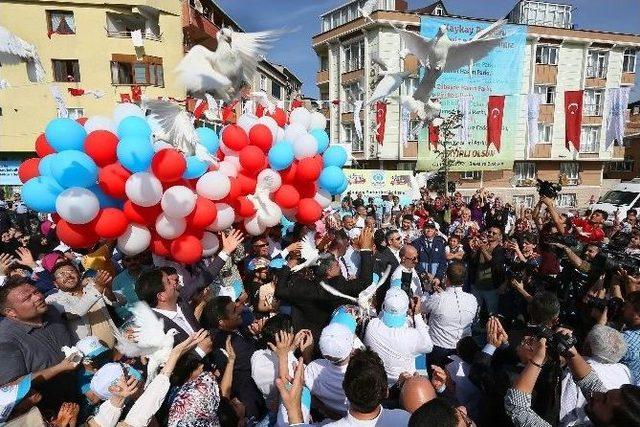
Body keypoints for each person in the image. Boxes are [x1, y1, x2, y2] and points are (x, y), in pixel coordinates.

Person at [0, 277, 78, 418]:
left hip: (83, 388)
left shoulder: (52, 312)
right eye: (27, 298)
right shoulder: (5, 339)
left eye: (36, 292)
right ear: (10, 312)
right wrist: (59, 368)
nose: (38, 297)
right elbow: (12, 386)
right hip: (56, 413)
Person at [364, 287, 433, 385]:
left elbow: (380, 316)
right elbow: (428, 347)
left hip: (379, 383)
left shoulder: (372, 326)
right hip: (404, 385)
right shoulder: (411, 335)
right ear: (406, 309)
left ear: (384, 306)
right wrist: (417, 315)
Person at [45, 262, 121, 346]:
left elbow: (120, 302)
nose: (67, 276)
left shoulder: (91, 287)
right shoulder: (54, 300)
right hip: (91, 353)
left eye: (70, 271)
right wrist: (98, 288)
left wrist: (108, 289)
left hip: (117, 343)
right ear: (55, 283)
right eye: (61, 274)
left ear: (79, 273)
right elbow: (74, 313)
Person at [424, 262, 478, 367]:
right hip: (464, 349)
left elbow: (422, 308)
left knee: (435, 381)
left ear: (446, 277)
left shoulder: (438, 298)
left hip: (439, 349)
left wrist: (432, 295)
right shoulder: (472, 299)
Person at [471, 226, 506, 316]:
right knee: (474, 311)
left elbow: (494, 263)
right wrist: (474, 249)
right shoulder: (483, 246)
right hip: (477, 285)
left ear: (499, 236)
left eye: (494, 233)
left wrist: (483, 250)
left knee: (492, 313)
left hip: (491, 287)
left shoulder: (500, 250)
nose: (490, 234)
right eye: (489, 232)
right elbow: (473, 261)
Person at [412, 222, 447, 289]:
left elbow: (443, 262)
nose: (429, 230)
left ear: (435, 230)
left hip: (436, 280)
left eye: (432, 228)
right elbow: (414, 261)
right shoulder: (416, 243)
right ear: (423, 229)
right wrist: (425, 275)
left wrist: (438, 277)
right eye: (427, 228)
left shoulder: (440, 243)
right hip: (420, 279)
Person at [621, 291, 640, 386]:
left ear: (637, 314)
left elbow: (590, 356)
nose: (622, 308)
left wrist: (601, 322)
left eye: (627, 306)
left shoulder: (626, 339)